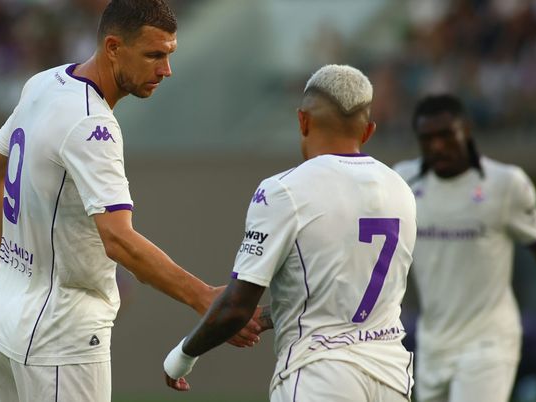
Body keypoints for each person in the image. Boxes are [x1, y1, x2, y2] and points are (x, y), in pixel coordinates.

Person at [0, 1, 259, 400]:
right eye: (154, 55)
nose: (166, 70)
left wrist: (17, 261)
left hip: (4, 321)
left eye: (169, 55)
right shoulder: (93, 124)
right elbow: (119, 240)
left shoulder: (43, 83)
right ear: (113, 47)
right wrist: (203, 297)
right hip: (60, 335)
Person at [163, 64, 418, 402]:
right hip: (392, 377)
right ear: (368, 131)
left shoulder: (284, 190)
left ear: (302, 120)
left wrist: (181, 357)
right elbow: (346, 297)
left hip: (321, 374)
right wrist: (271, 315)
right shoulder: (401, 189)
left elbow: (236, 307)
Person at [392, 94, 536, 402]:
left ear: (466, 130)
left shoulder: (505, 184)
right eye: (427, 139)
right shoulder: (402, 181)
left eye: (446, 135)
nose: (437, 146)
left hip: (489, 342)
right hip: (433, 343)